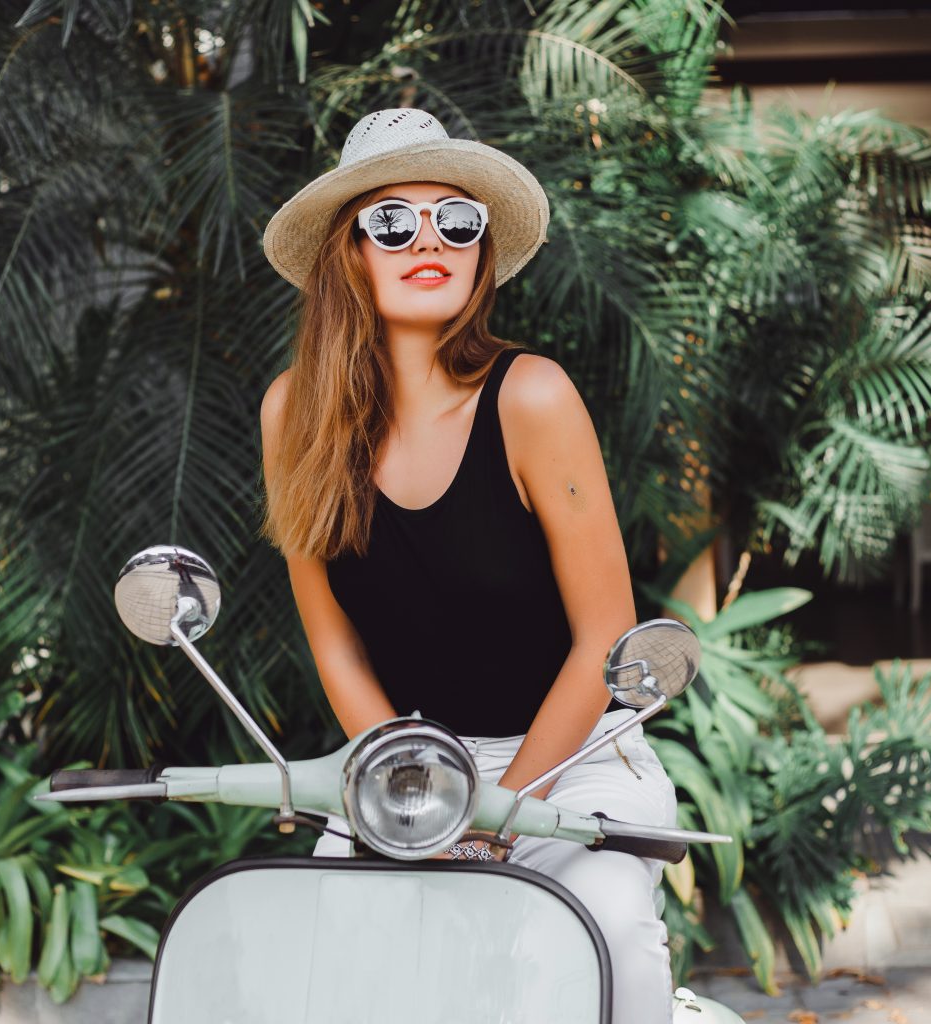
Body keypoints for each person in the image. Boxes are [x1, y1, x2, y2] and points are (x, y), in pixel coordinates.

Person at [257, 107, 678, 1024]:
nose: (429, 242)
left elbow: (605, 635)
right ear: (350, 254)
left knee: (607, 942)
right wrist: (424, 794)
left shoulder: (532, 395)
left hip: (572, 758)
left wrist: (495, 815)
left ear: (482, 253)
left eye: (458, 221)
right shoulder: (292, 415)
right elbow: (336, 650)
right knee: (333, 965)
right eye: (393, 222)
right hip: (409, 765)